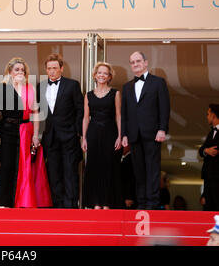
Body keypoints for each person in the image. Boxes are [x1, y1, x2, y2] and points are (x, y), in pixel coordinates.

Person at [0, 57, 51, 208]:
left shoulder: (30, 88)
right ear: (10, 72)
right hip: (7, 130)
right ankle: (4, 203)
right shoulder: (2, 88)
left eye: (22, 70)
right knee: (7, 166)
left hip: (26, 130)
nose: (20, 72)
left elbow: (35, 114)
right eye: (17, 69)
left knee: (24, 167)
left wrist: (35, 136)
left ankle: (22, 201)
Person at [121, 51, 170, 210]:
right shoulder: (127, 87)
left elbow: (164, 108)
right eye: (132, 62)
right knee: (139, 171)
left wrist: (162, 129)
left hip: (153, 133)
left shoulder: (158, 82)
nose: (135, 64)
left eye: (138, 61)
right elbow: (125, 113)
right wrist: (124, 134)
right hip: (134, 135)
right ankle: (141, 203)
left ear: (146, 62)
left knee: (153, 169)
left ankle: (153, 204)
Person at [37, 53, 84, 208]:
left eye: (55, 68)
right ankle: (57, 205)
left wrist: (77, 132)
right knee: (54, 172)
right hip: (49, 136)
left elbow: (80, 110)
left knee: (70, 172)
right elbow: (37, 112)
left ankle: (71, 206)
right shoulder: (40, 86)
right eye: (49, 68)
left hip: (69, 136)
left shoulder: (73, 85)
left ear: (61, 69)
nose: (52, 71)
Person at [81, 62, 122, 210]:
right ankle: (95, 203)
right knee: (94, 167)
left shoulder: (115, 93)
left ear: (109, 76)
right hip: (93, 134)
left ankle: (107, 203)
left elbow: (118, 116)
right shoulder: (88, 95)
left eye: (105, 73)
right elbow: (86, 118)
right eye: (99, 73)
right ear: (95, 75)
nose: (102, 75)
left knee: (108, 167)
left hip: (110, 133)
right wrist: (84, 138)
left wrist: (119, 135)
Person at [198, 103, 219, 211]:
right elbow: (201, 150)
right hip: (208, 175)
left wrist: (206, 150)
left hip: (217, 175)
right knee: (208, 205)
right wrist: (206, 150)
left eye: (208, 114)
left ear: (213, 115)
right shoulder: (211, 133)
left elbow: (215, 150)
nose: (207, 116)